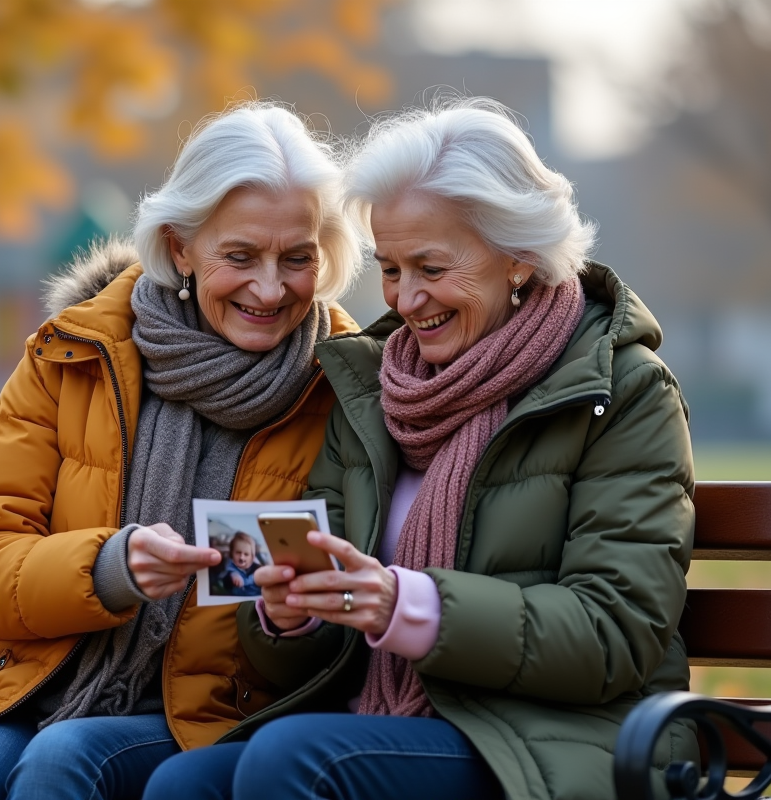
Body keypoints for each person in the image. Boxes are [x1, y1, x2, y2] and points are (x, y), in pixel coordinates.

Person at [144, 96, 697, 800]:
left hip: (555, 741)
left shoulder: (624, 392)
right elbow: (304, 660)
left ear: (519, 257)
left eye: (431, 268)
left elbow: (612, 634)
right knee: (182, 784)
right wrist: (291, 618)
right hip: (391, 720)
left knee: (295, 757)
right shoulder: (375, 386)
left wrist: (405, 603)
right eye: (392, 268)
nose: (405, 300)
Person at [0, 102, 362, 800]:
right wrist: (105, 566)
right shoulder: (73, 353)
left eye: (297, 258)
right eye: (240, 256)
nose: (271, 288)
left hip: (218, 719)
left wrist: (290, 615)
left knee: (65, 759)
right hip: (33, 684)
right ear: (180, 247)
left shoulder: (344, 390)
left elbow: (344, 629)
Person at [215, 532, 262, 596]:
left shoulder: (258, 569)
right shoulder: (230, 567)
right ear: (232, 553)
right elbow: (225, 582)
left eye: (246, 554)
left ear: (252, 557)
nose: (241, 557)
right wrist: (232, 576)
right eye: (238, 553)